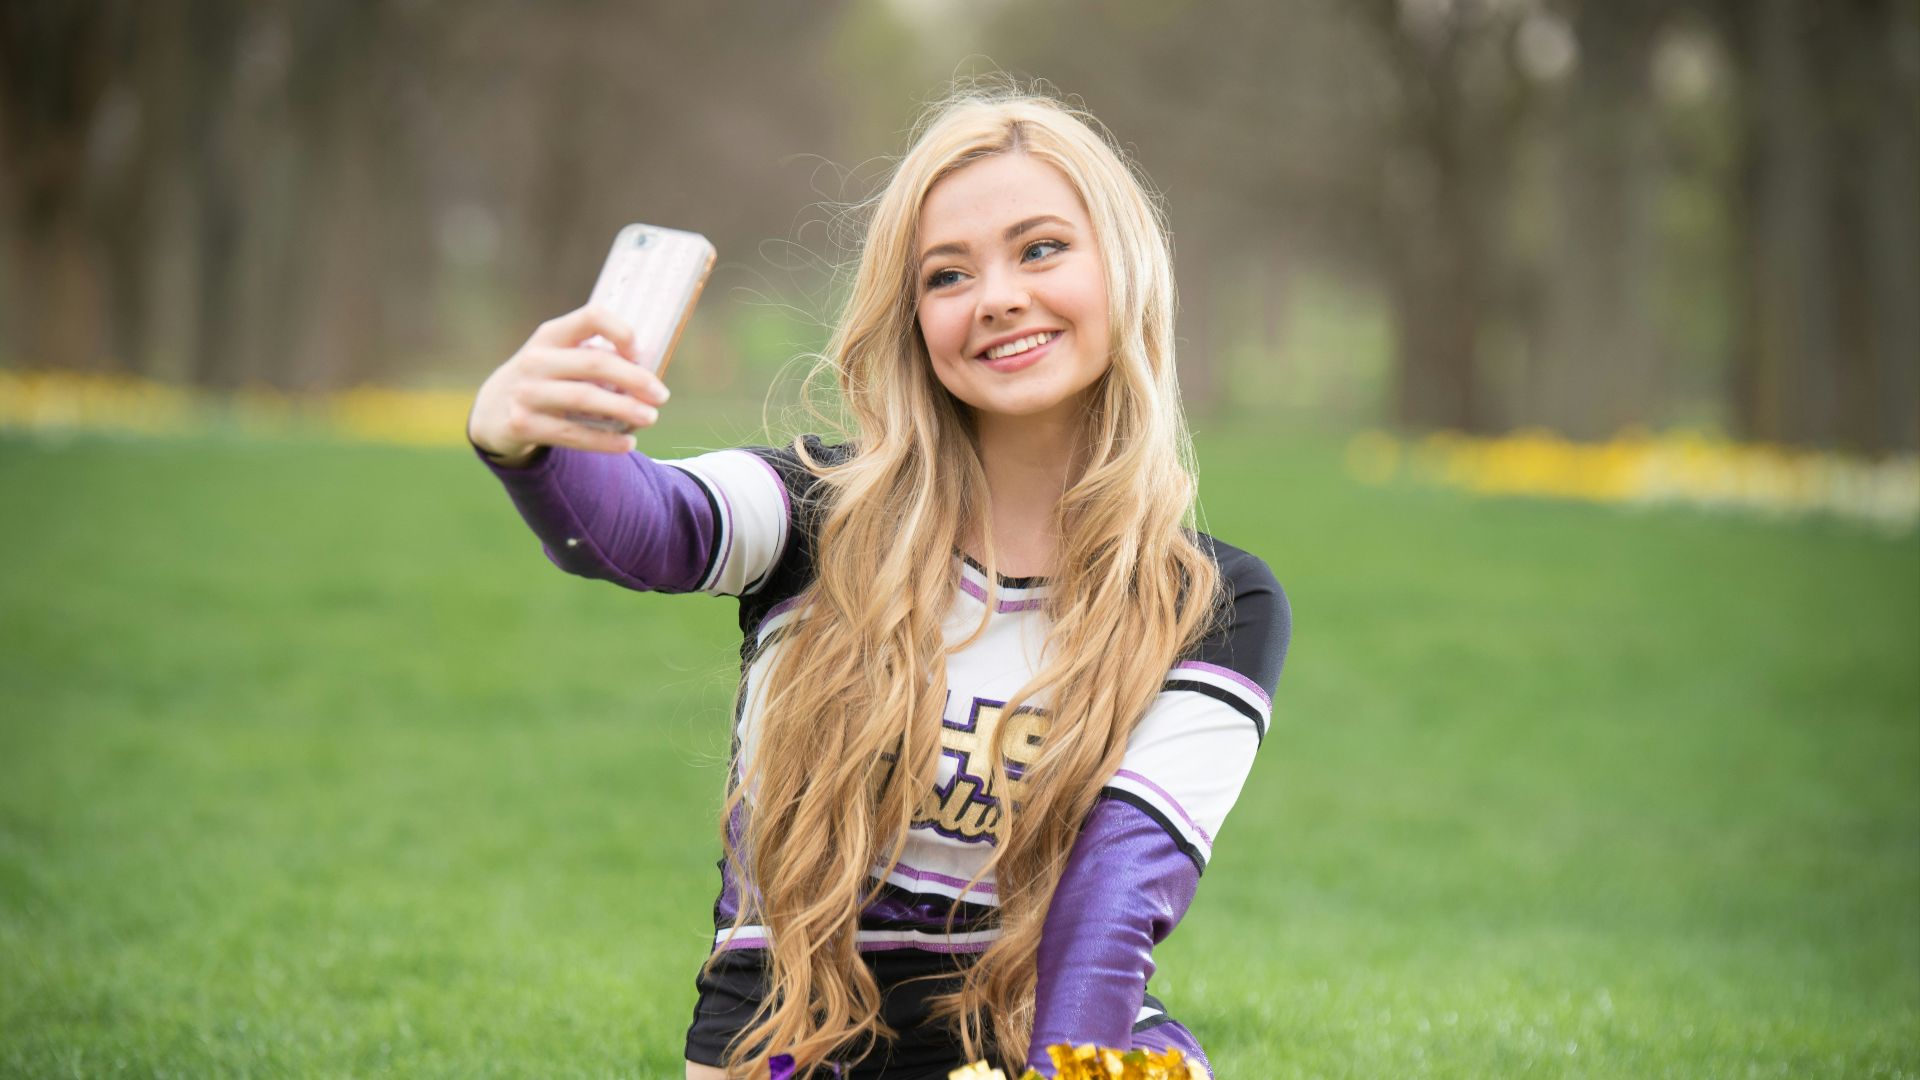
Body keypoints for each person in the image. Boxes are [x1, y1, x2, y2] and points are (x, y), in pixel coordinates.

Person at [466, 84, 1291, 1080]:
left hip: (1029, 1014)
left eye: (1040, 249)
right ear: (914, 320)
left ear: (1124, 269)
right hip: (796, 1030)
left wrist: (1063, 1070)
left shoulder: (1213, 602)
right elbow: (645, 526)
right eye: (948, 275)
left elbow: (1113, 900)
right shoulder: (814, 508)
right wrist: (528, 441)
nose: (996, 297)